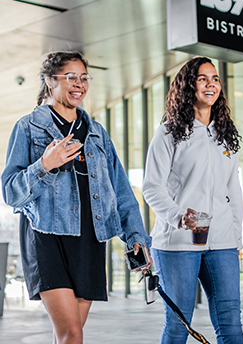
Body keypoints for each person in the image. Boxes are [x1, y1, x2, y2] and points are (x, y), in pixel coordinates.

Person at [1, 51, 151, 344]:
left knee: (69, 336)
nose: (79, 84)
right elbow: (10, 192)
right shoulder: (28, 128)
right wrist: (45, 165)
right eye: (71, 77)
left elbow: (120, 190)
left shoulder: (96, 133)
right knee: (72, 333)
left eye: (84, 78)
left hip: (90, 240)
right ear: (49, 81)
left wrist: (136, 236)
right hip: (46, 237)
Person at [142, 57, 243, 344]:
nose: (211, 84)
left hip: (221, 241)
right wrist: (177, 215)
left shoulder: (226, 135)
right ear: (189, 86)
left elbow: (232, 190)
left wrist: (235, 236)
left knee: (231, 322)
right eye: (203, 78)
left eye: (215, 79)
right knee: (178, 324)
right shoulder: (168, 133)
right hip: (177, 242)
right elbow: (151, 187)